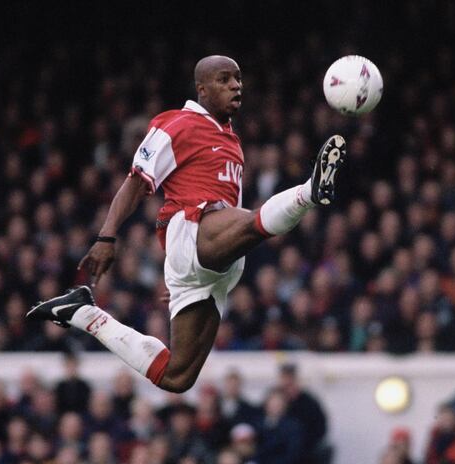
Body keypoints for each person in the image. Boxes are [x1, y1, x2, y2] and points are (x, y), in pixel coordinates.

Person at [27, 55, 347, 393]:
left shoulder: (230, 138)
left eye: (238, 78)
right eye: (225, 79)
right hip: (193, 230)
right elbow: (136, 182)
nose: (236, 85)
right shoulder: (177, 123)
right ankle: (310, 191)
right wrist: (107, 236)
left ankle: (82, 313)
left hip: (210, 266)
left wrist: (184, 277)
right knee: (255, 225)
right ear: (202, 89)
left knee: (177, 377)